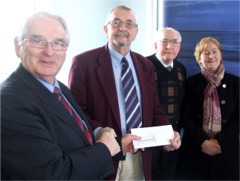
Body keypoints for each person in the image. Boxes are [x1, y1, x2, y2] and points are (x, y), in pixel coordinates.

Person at [0, 11, 124, 180]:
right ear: (17, 46)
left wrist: (98, 134)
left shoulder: (60, 89)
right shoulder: (9, 102)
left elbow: (73, 136)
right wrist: (105, 148)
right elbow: (53, 175)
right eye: (37, 41)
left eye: (58, 43)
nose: (49, 52)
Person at [68, 5, 181, 180]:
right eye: (116, 23)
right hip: (105, 159)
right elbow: (76, 114)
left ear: (136, 32)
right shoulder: (84, 63)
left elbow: (155, 107)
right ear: (106, 29)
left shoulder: (146, 65)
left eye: (129, 24)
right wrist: (103, 134)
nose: (122, 28)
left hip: (141, 157)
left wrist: (169, 135)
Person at [176, 37, 239, 180]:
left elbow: (238, 119)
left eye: (214, 51)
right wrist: (204, 142)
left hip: (226, 151)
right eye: (205, 53)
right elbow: (186, 117)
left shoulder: (236, 83)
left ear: (221, 55)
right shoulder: (191, 83)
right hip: (195, 150)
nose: (211, 56)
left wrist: (218, 142)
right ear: (199, 59)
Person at [146, 27, 186, 180]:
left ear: (179, 47)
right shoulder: (144, 65)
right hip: (149, 135)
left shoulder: (181, 69)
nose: (170, 46)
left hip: (173, 136)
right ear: (155, 45)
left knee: (168, 176)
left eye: (174, 42)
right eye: (164, 42)